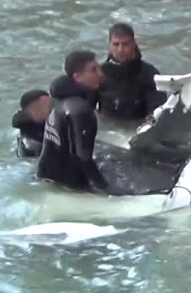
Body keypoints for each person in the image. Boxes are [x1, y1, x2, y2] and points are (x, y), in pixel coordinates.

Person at [39, 50, 129, 196]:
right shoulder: (80, 110)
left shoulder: (57, 99)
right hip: (70, 187)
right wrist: (109, 191)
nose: (100, 74)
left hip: (46, 176)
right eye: (93, 70)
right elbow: (83, 158)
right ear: (77, 77)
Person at [97, 23, 168, 121]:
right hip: (108, 128)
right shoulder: (99, 74)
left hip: (138, 125)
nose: (120, 50)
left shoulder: (149, 73)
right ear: (110, 45)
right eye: (116, 44)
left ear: (133, 44)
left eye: (125, 44)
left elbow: (158, 106)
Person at [11, 89, 51, 157]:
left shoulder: (44, 123)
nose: (53, 108)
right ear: (34, 111)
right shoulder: (32, 144)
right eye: (48, 106)